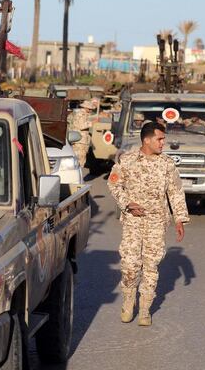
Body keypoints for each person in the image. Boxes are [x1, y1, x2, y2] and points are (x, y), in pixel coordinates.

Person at [107, 121, 189, 327]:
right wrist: (127, 203)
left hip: (156, 222)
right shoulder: (127, 160)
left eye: (163, 139)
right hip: (133, 221)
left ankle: (145, 310)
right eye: (159, 139)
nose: (163, 143)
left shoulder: (167, 164)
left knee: (151, 265)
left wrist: (180, 218)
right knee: (130, 265)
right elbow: (114, 183)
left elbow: (175, 191)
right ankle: (128, 302)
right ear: (146, 140)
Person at [68, 99, 96, 167]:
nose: (91, 111)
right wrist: (92, 123)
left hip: (81, 141)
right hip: (80, 141)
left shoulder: (83, 114)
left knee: (80, 160)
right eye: (90, 109)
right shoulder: (81, 114)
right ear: (86, 108)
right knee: (79, 161)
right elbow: (81, 126)